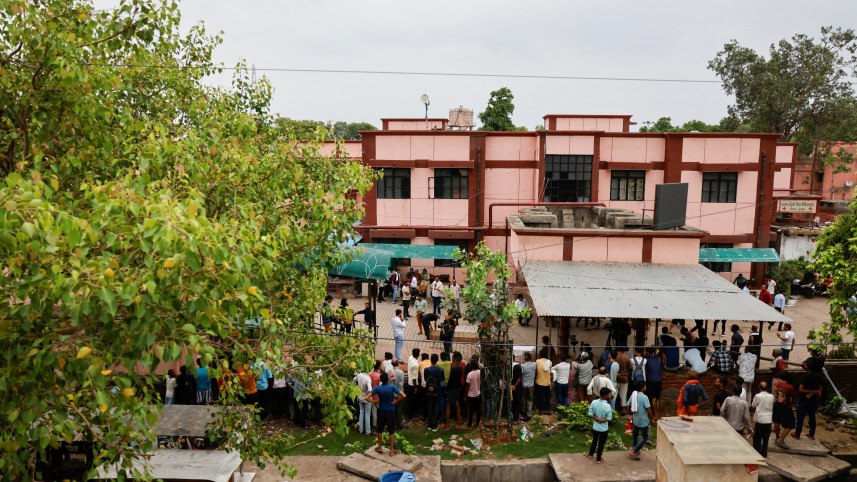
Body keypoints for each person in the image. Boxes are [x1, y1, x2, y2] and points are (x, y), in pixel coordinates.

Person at [366, 371, 405, 456]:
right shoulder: (392, 387)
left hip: (381, 411)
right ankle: (391, 450)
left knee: (380, 429)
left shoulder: (377, 388)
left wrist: (376, 401)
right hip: (391, 411)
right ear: (388, 379)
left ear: (380, 380)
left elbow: (367, 398)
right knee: (391, 431)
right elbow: (403, 395)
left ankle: (380, 447)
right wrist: (396, 401)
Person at [793, 363, 823, 440]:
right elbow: (820, 388)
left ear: (807, 367)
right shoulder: (818, 376)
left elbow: (801, 389)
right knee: (812, 417)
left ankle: (797, 434)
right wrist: (813, 392)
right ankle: (811, 434)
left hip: (803, 399)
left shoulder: (805, 377)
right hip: (813, 400)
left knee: (800, 417)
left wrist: (810, 392)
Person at [585, 387, 613, 464]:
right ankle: (598, 459)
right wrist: (601, 420)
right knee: (601, 443)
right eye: (608, 394)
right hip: (604, 428)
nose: (609, 395)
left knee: (594, 441)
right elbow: (609, 418)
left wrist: (596, 418)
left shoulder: (594, 402)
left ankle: (591, 454)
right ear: (605, 395)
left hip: (595, 427)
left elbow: (590, 413)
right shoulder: (607, 406)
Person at [629, 381, 652, 461]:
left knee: (635, 435)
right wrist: (652, 418)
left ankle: (636, 450)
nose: (646, 387)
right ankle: (634, 450)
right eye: (645, 386)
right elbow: (648, 409)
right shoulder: (644, 397)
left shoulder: (633, 395)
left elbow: (628, 405)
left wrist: (631, 415)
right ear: (642, 388)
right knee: (645, 437)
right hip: (643, 420)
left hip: (636, 419)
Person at [773, 370, 796, 449]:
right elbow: (794, 396)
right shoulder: (789, 387)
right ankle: (781, 439)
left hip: (777, 403)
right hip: (786, 406)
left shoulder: (776, 383)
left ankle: (777, 437)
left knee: (777, 421)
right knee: (790, 424)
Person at [753, 381, 775, 457]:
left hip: (760, 419)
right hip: (768, 419)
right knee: (766, 438)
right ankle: (764, 453)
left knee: (758, 437)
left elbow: (753, 405)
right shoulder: (771, 396)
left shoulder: (758, 396)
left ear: (759, 387)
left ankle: (757, 452)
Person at [423, 354, 445, 432]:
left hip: (428, 391)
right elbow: (442, 379)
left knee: (429, 407)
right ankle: (435, 425)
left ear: (430, 360)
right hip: (437, 391)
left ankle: (429, 424)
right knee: (436, 407)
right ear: (437, 360)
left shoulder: (426, 370)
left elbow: (426, 379)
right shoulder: (440, 370)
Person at [446, 352, 464, 427]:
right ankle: (457, 423)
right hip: (458, 388)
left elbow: (450, 380)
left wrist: (447, 389)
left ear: (455, 358)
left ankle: (447, 425)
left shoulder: (453, 368)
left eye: (453, 357)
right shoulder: (460, 367)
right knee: (457, 405)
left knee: (448, 405)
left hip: (452, 388)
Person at [643, 347, 662, 420]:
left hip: (651, 380)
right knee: (658, 398)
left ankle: (654, 415)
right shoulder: (657, 359)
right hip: (659, 380)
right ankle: (657, 414)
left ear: (647, 352)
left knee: (653, 398)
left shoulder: (646, 359)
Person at [354, 370, 373, 435]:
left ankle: (361, 430)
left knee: (361, 413)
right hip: (367, 398)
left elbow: (354, 380)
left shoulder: (359, 375)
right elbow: (370, 389)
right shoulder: (368, 378)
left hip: (360, 396)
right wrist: (368, 394)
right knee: (367, 414)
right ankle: (368, 431)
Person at [615, 348, 633, 415]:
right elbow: (631, 367)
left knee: (614, 395)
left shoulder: (614, 356)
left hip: (615, 378)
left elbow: (606, 364)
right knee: (623, 395)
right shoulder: (626, 357)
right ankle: (623, 410)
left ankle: (613, 409)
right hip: (624, 378)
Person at [465, 356, 482, 428]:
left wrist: (465, 394)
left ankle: (469, 424)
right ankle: (477, 423)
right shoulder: (480, 372)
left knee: (470, 410)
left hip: (470, 394)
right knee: (478, 409)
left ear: (471, 365)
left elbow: (467, 386)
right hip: (478, 393)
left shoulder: (470, 374)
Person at [535, 349, 553, 414]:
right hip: (547, 382)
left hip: (539, 382)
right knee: (548, 396)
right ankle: (547, 409)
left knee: (540, 396)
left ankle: (541, 410)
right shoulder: (550, 362)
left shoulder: (537, 361)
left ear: (540, 355)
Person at [521, 352, 536, 420]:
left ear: (524, 358)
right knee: (530, 399)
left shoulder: (522, 366)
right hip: (531, 385)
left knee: (523, 399)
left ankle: (524, 413)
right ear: (531, 358)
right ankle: (529, 413)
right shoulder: (534, 365)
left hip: (524, 384)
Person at [392, 359, 406, 430]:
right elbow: (400, 385)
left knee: (392, 410)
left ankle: (393, 425)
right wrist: (397, 395)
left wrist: (393, 395)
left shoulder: (388, 372)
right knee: (399, 410)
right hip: (399, 395)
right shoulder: (401, 372)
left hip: (391, 395)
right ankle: (399, 426)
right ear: (398, 364)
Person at [511, 358, 524, 424]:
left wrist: (510, 386)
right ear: (514, 358)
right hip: (517, 387)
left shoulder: (508, 366)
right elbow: (520, 378)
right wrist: (515, 386)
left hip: (510, 388)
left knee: (513, 402)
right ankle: (515, 419)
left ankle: (513, 417)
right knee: (518, 402)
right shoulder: (518, 366)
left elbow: (503, 378)